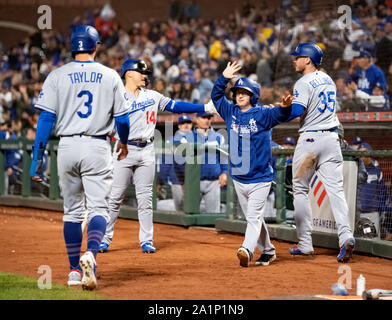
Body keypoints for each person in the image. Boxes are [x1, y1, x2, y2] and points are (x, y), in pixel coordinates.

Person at [29, 25, 131, 290]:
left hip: (66, 146)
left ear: (73, 47)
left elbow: (45, 120)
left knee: (72, 212)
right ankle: (91, 255)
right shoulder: (110, 76)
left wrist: (36, 158)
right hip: (97, 145)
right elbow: (123, 119)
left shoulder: (56, 75)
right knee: (98, 208)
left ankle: (74, 270)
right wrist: (124, 142)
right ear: (95, 47)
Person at [98, 58, 216, 254]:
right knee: (115, 197)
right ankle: (104, 239)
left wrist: (204, 108)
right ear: (128, 74)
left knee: (145, 199)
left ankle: (146, 240)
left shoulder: (152, 96)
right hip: (124, 150)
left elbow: (176, 106)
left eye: (146, 73)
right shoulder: (115, 97)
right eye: (140, 72)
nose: (145, 76)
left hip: (146, 149)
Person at [211, 60, 294, 267]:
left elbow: (281, 114)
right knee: (254, 217)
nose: (240, 95)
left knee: (253, 217)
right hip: (239, 177)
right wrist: (224, 78)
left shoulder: (263, 114)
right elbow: (215, 96)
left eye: (244, 93)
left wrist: (285, 108)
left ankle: (246, 249)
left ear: (253, 96)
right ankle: (268, 250)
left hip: (260, 178)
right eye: (238, 92)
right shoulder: (230, 112)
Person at [287, 43, 355, 263]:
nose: (294, 60)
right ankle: (346, 237)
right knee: (336, 191)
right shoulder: (328, 79)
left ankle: (305, 244)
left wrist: (279, 110)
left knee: (299, 188)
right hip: (331, 139)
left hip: (310, 141)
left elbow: (297, 111)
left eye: (297, 57)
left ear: (308, 60)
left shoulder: (303, 82)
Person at [184, 111, 228, 214]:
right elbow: (181, 161)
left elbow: (223, 157)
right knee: (190, 214)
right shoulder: (188, 137)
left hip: (213, 181)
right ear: (197, 119)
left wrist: (224, 172)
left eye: (209, 118)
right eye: (204, 118)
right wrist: (183, 179)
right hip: (193, 181)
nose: (207, 120)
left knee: (213, 215)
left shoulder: (218, 137)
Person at [157, 114, 193, 211]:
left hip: (195, 181)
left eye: (188, 122)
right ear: (179, 126)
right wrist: (161, 181)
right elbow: (165, 163)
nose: (186, 125)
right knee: (180, 210)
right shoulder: (171, 140)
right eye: (183, 123)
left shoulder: (198, 138)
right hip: (177, 180)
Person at [356, 142, 387, 238]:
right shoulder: (355, 168)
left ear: (369, 154)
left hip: (373, 213)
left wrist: (382, 211)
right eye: (360, 153)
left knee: (373, 240)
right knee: (357, 240)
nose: (361, 156)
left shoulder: (377, 170)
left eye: (364, 154)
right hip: (357, 214)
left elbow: (382, 192)